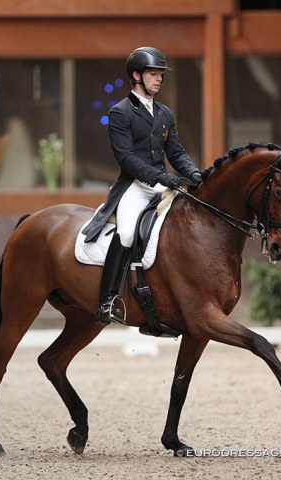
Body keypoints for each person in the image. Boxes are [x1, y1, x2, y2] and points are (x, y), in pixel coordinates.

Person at [82, 46, 202, 325]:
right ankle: (107, 300)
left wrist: (195, 174)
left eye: (160, 74)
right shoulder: (119, 113)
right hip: (134, 186)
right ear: (136, 75)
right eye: (152, 73)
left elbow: (177, 153)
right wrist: (162, 177)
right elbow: (127, 159)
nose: (159, 78)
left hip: (162, 184)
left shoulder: (164, 114)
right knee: (125, 233)